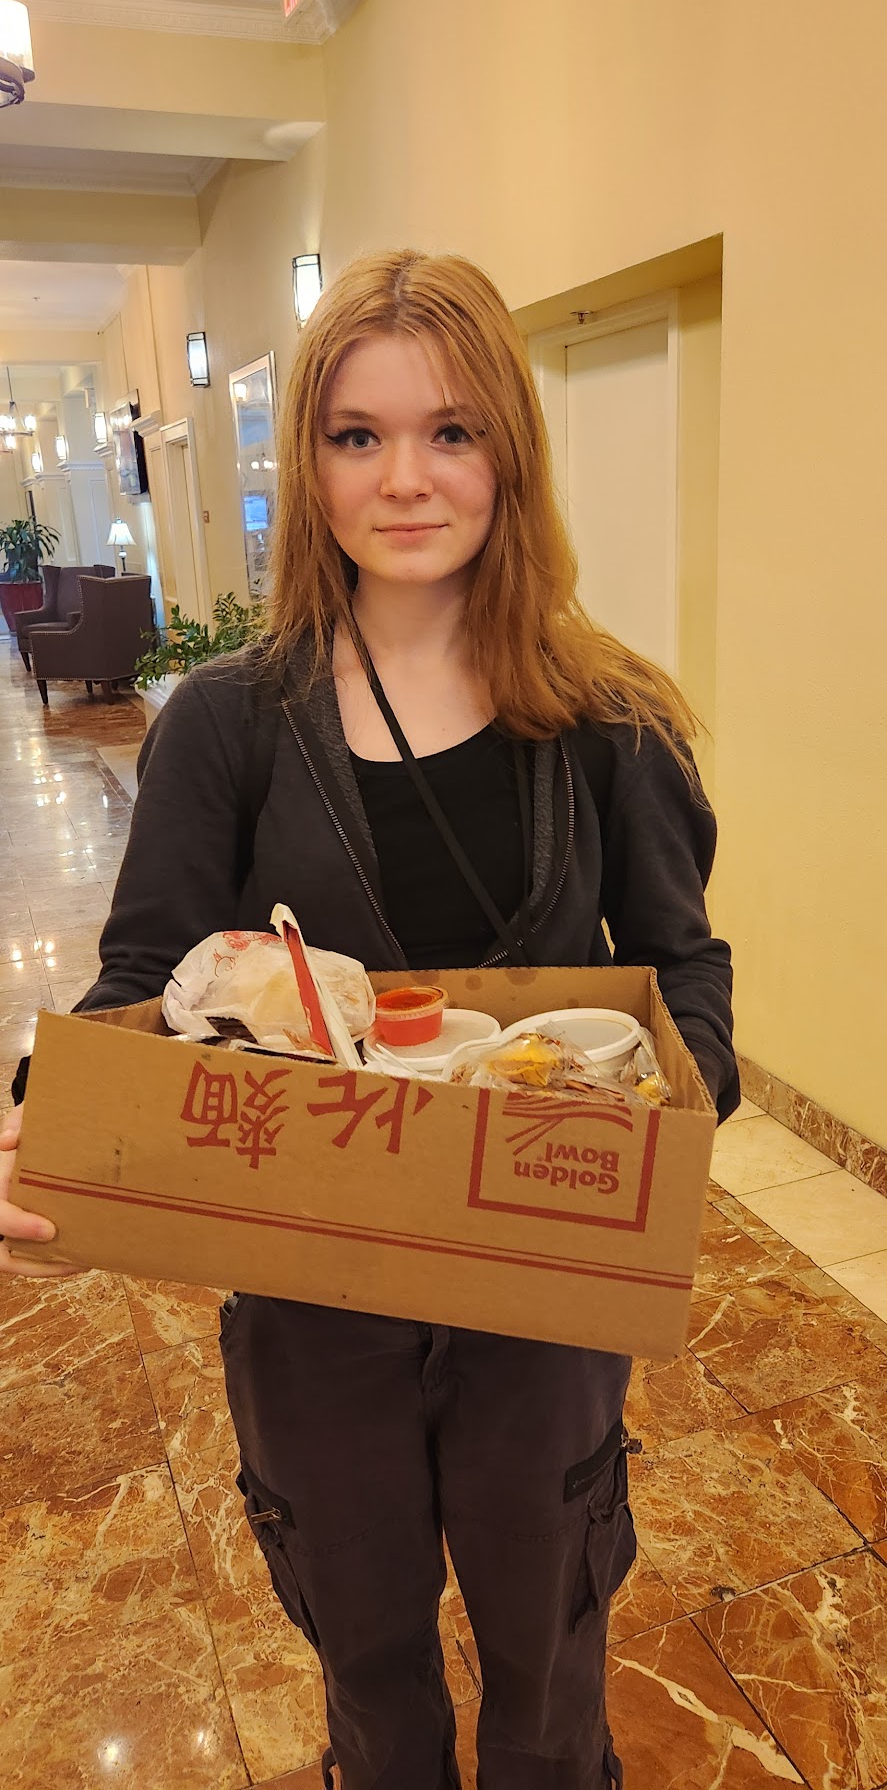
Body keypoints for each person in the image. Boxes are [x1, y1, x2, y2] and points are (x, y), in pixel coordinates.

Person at [0, 248, 738, 1789]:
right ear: (311, 461)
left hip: (542, 1290)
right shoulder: (226, 725)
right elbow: (141, 987)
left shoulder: (611, 721)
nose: (406, 478)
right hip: (314, 1296)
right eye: (358, 435)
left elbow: (683, 968)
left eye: (451, 431)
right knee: (369, 1660)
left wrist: (679, 1112)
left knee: (550, 1661)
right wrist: (52, 1130)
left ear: (510, 452)